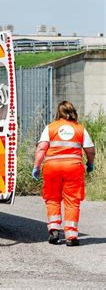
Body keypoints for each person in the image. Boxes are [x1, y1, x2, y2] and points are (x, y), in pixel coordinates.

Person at [32, 101, 95, 246]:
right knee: (72, 201)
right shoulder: (80, 129)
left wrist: (36, 166)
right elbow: (90, 150)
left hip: (52, 167)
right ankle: (71, 236)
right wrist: (90, 163)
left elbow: (42, 148)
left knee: (52, 198)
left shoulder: (50, 128)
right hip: (73, 168)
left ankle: (54, 229)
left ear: (58, 113)